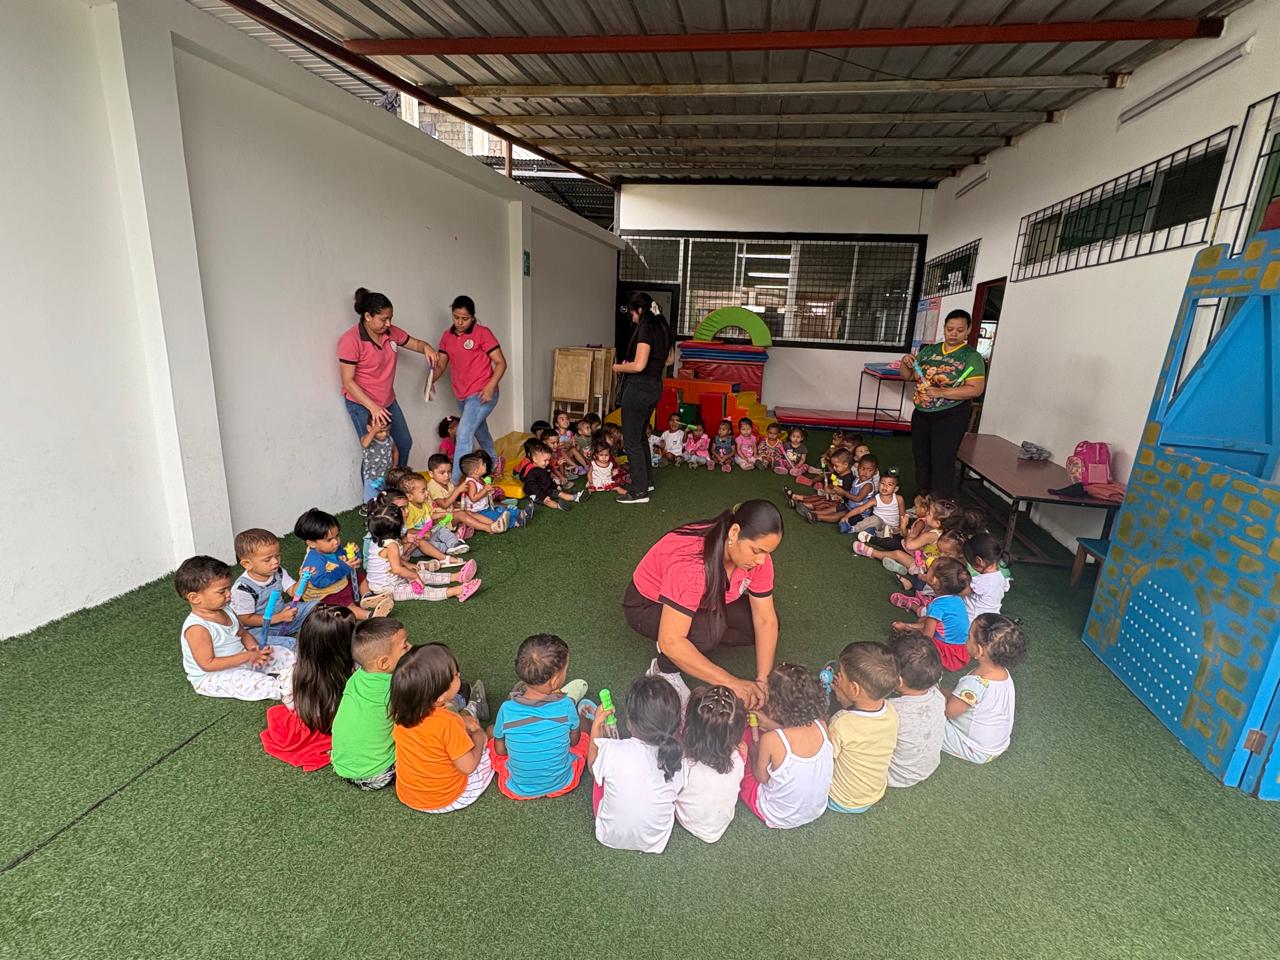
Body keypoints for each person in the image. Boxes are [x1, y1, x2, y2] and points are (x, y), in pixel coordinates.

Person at [623, 500, 783, 711]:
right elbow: (671, 641)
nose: (761, 560)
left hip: (704, 599)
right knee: (706, 633)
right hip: (647, 605)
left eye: (767, 552)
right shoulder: (692, 565)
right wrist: (732, 683)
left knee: (753, 627)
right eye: (756, 550)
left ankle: (693, 640)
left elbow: (765, 620)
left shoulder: (758, 560)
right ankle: (663, 669)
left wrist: (763, 681)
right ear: (734, 532)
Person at [338, 288, 438, 467]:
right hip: (362, 404)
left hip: (387, 401)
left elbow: (417, 344)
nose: (389, 323)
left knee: (404, 443)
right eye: (383, 319)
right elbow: (348, 381)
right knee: (375, 453)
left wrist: (427, 348)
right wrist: (373, 408)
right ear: (368, 316)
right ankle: (376, 487)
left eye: (390, 318)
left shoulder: (391, 332)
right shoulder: (351, 340)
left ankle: (398, 481)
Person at [489, 634, 595, 800]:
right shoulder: (566, 705)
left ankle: (519, 694)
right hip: (563, 783)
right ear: (555, 681)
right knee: (583, 728)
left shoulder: (506, 709)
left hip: (517, 789)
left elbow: (500, 751)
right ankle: (587, 718)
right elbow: (574, 742)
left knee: (492, 731)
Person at [390, 643, 492, 813]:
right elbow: (468, 767)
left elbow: (429, 732)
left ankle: (466, 708)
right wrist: (479, 738)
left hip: (408, 795)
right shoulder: (448, 723)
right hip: (447, 798)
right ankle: (473, 706)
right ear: (439, 697)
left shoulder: (400, 714)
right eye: (455, 676)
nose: (459, 675)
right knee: (489, 750)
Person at [175, 556, 294, 701]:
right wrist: (248, 656)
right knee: (249, 682)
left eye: (228, 588)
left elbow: (242, 633)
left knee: (281, 653)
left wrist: (254, 649)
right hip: (213, 676)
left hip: (242, 659)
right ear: (195, 598)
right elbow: (208, 664)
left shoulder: (226, 609)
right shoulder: (197, 628)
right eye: (222, 591)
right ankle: (285, 688)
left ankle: (300, 669)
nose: (229, 593)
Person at [588, 675, 685, 853]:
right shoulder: (678, 759)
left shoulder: (613, 751)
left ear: (630, 723)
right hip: (655, 841)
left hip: (609, 835)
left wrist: (596, 725)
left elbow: (592, 766)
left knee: (600, 771)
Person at [900, 309, 987, 497]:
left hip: (951, 415)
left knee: (942, 460)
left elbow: (975, 389)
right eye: (950, 329)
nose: (954, 334)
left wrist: (941, 392)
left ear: (968, 330)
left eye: (959, 330)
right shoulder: (929, 351)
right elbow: (909, 376)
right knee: (922, 458)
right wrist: (904, 363)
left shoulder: (971, 356)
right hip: (922, 413)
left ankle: (940, 503)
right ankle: (923, 498)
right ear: (944, 328)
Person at [739, 663, 833, 830]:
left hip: (777, 815)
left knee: (742, 747)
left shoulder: (770, 740)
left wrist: (754, 752)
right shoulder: (822, 725)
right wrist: (772, 725)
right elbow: (797, 736)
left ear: (774, 706)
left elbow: (761, 777)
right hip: (815, 810)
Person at [260, 606, 355, 770]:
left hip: (307, 721)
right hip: (342, 723)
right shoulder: (356, 670)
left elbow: (289, 701)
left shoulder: (293, 673)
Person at [330, 618, 412, 790]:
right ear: (384, 663)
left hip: (343, 766)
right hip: (379, 772)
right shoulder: (396, 688)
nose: (411, 647)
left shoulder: (357, 677)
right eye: (405, 646)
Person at [433, 295, 507, 485]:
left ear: (473, 317)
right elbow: (441, 365)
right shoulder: (447, 336)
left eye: (464, 318)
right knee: (480, 430)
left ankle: (454, 484)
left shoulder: (483, 333)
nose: (459, 322)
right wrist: (430, 380)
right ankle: (494, 463)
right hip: (462, 395)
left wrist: (490, 386)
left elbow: (501, 363)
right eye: (456, 317)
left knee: (463, 434)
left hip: (482, 393)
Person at [942, 614, 1028, 763]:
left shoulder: (975, 683)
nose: (966, 638)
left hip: (974, 748)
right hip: (995, 747)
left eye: (969, 636)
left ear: (979, 650)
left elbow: (949, 711)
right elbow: (963, 700)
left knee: (925, 716)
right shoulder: (1004, 675)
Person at [612, 292, 672, 504]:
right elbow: (669, 360)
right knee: (639, 436)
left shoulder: (646, 328)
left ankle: (639, 491)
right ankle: (646, 482)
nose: (632, 317)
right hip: (654, 386)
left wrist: (617, 367)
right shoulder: (662, 326)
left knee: (631, 440)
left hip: (638, 388)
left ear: (639, 309)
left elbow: (638, 365)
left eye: (632, 313)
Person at [827, 642, 900, 814]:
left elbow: (824, 757)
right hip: (874, 794)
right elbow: (862, 728)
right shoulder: (891, 712)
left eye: (841, 674)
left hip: (840, 799)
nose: (838, 675)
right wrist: (846, 700)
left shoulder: (841, 722)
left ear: (854, 688)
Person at [365, 503, 481, 604]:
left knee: (422, 574)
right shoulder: (391, 545)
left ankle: (456, 576)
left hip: (390, 579)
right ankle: (457, 591)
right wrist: (414, 576)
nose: (406, 513)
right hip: (386, 588)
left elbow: (390, 560)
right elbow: (397, 569)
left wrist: (409, 567)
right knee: (419, 591)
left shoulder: (378, 539)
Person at [675, 685, 747, 843]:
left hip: (689, 822)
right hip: (720, 823)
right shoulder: (741, 754)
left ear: (690, 727)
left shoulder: (684, 763)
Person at [230, 528, 318, 651]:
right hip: (258, 629)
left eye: (277, 556)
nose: (275, 561)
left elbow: (294, 592)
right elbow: (245, 619)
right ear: (247, 564)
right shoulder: (243, 589)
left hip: (284, 616)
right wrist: (279, 617)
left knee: (317, 608)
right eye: (267, 559)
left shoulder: (278, 571)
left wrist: (304, 579)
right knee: (291, 644)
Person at [294, 508, 390, 620]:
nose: (336, 542)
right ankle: (370, 615)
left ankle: (367, 597)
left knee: (362, 577)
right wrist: (344, 568)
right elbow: (320, 582)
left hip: (340, 583)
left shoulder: (332, 548)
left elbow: (344, 558)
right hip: (324, 594)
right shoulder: (314, 561)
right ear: (311, 543)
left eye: (337, 536)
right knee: (344, 604)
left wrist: (353, 555)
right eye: (329, 540)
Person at [886, 630, 946, 789]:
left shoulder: (892, 710)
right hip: (927, 767)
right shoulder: (938, 696)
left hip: (894, 774)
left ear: (899, 681)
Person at [892, 557, 973, 671]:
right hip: (960, 651)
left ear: (934, 580)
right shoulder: (956, 599)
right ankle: (909, 625)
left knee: (911, 644)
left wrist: (907, 629)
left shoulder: (937, 606)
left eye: (929, 569)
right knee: (923, 620)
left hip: (947, 654)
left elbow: (926, 636)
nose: (926, 568)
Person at [784, 449, 864, 524]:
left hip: (838, 501)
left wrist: (832, 492)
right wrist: (828, 488)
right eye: (833, 466)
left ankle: (804, 506)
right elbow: (833, 483)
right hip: (830, 496)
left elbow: (845, 494)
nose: (834, 468)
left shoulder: (849, 478)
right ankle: (796, 497)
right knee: (817, 497)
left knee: (823, 503)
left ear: (845, 465)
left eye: (836, 466)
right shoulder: (838, 473)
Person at [457, 453, 530, 530]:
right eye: (483, 464)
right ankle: (516, 522)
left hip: (486, 507)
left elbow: (483, 492)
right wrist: (485, 490)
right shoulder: (471, 483)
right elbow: (473, 498)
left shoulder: (479, 478)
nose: (485, 464)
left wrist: (489, 491)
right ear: (476, 471)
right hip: (478, 512)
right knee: (496, 516)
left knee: (502, 510)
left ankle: (522, 513)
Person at [517, 439, 590, 512]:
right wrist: (543, 497)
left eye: (548, 460)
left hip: (546, 489)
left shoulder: (544, 467)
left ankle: (576, 497)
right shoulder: (531, 472)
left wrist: (555, 486)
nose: (547, 462)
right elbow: (533, 487)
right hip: (535, 493)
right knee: (547, 501)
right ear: (535, 459)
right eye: (545, 460)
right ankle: (559, 506)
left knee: (560, 493)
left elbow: (547, 479)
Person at [838, 469, 906, 537]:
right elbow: (860, 509)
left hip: (892, 527)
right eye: (882, 483)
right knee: (873, 519)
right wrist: (846, 516)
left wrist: (901, 526)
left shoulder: (899, 499)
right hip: (878, 522)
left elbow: (902, 515)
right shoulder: (875, 499)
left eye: (889, 484)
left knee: (890, 533)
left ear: (895, 489)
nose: (885, 486)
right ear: (878, 484)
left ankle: (873, 533)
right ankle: (852, 529)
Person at [964, 532, 1013, 618]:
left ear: (979, 561)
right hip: (992, 618)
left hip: (974, 621)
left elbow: (960, 591)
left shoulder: (979, 582)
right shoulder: (1001, 578)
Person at [358, 420, 396, 503]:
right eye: (380, 431)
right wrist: (374, 431)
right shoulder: (367, 439)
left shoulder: (389, 439)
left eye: (387, 430)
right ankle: (368, 507)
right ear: (369, 428)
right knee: (372, 501)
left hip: (386, 476)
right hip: (372, 478)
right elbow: (364, 444)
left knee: (385, 499)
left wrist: (394, 465)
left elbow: (395, 451)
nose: (384, 434)